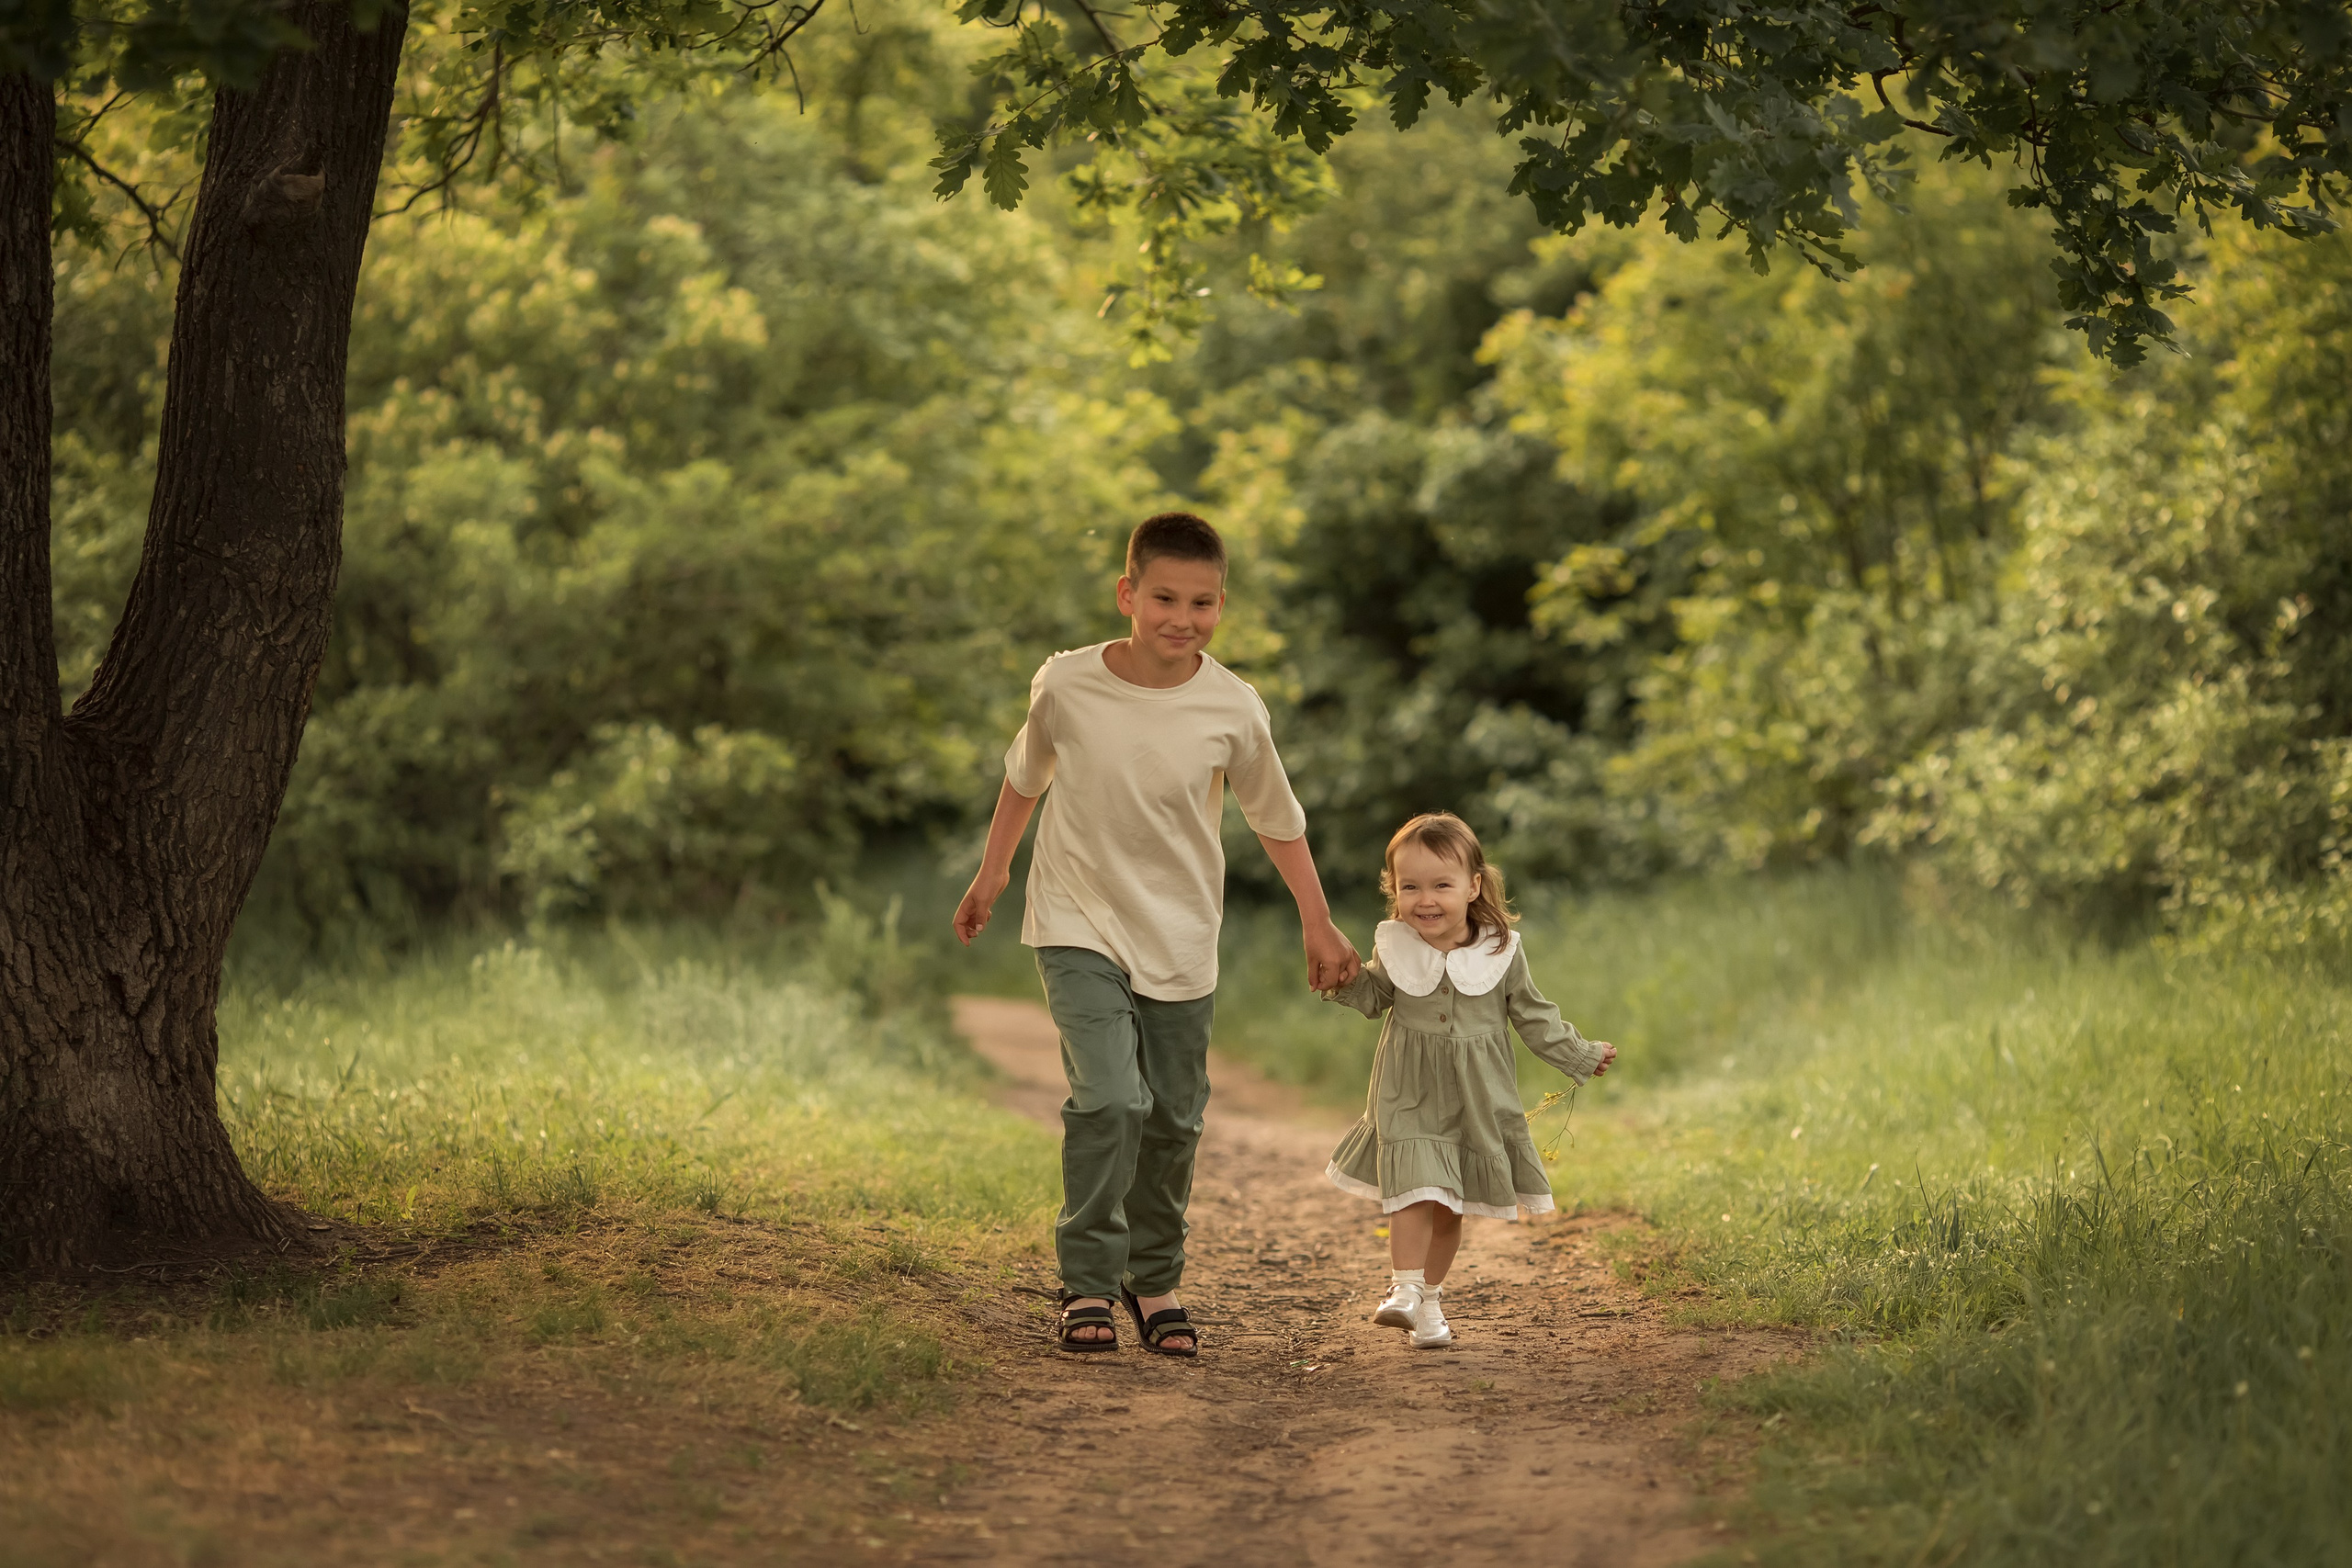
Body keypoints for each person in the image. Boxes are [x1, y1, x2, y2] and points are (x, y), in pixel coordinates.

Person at [954, 512, 1360, 1356]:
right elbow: (1024, 779)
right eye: (1165, 597)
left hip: (1180, 934)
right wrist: (993, 873)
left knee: (1174, 1115)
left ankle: (1155, 1276)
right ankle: (1089, 1282)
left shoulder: (1233, 705)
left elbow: (1275, 818)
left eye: (1203, 602)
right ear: (1127, 593)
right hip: (1077, 918)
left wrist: (1316, 921)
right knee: (1110, 1097)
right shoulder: (1066, 685)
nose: (1183, 618)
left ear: (1222, 604)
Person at [1321, 812, 1615, 1349]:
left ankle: (1429, 1303)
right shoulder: (1397, 946)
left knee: (1448, 1203)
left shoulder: (1501, 951)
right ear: (1395, 890)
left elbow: (1533, 1017)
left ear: (1473, 885)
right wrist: (1341, 978)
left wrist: (1579, 1053)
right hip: (1407, 1088)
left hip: (1477, 1096)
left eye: (1441, 885)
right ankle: (1404, 1289)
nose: (1424, 900)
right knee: (1412, 1185)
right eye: (1410, 886)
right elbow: (1372, 998)